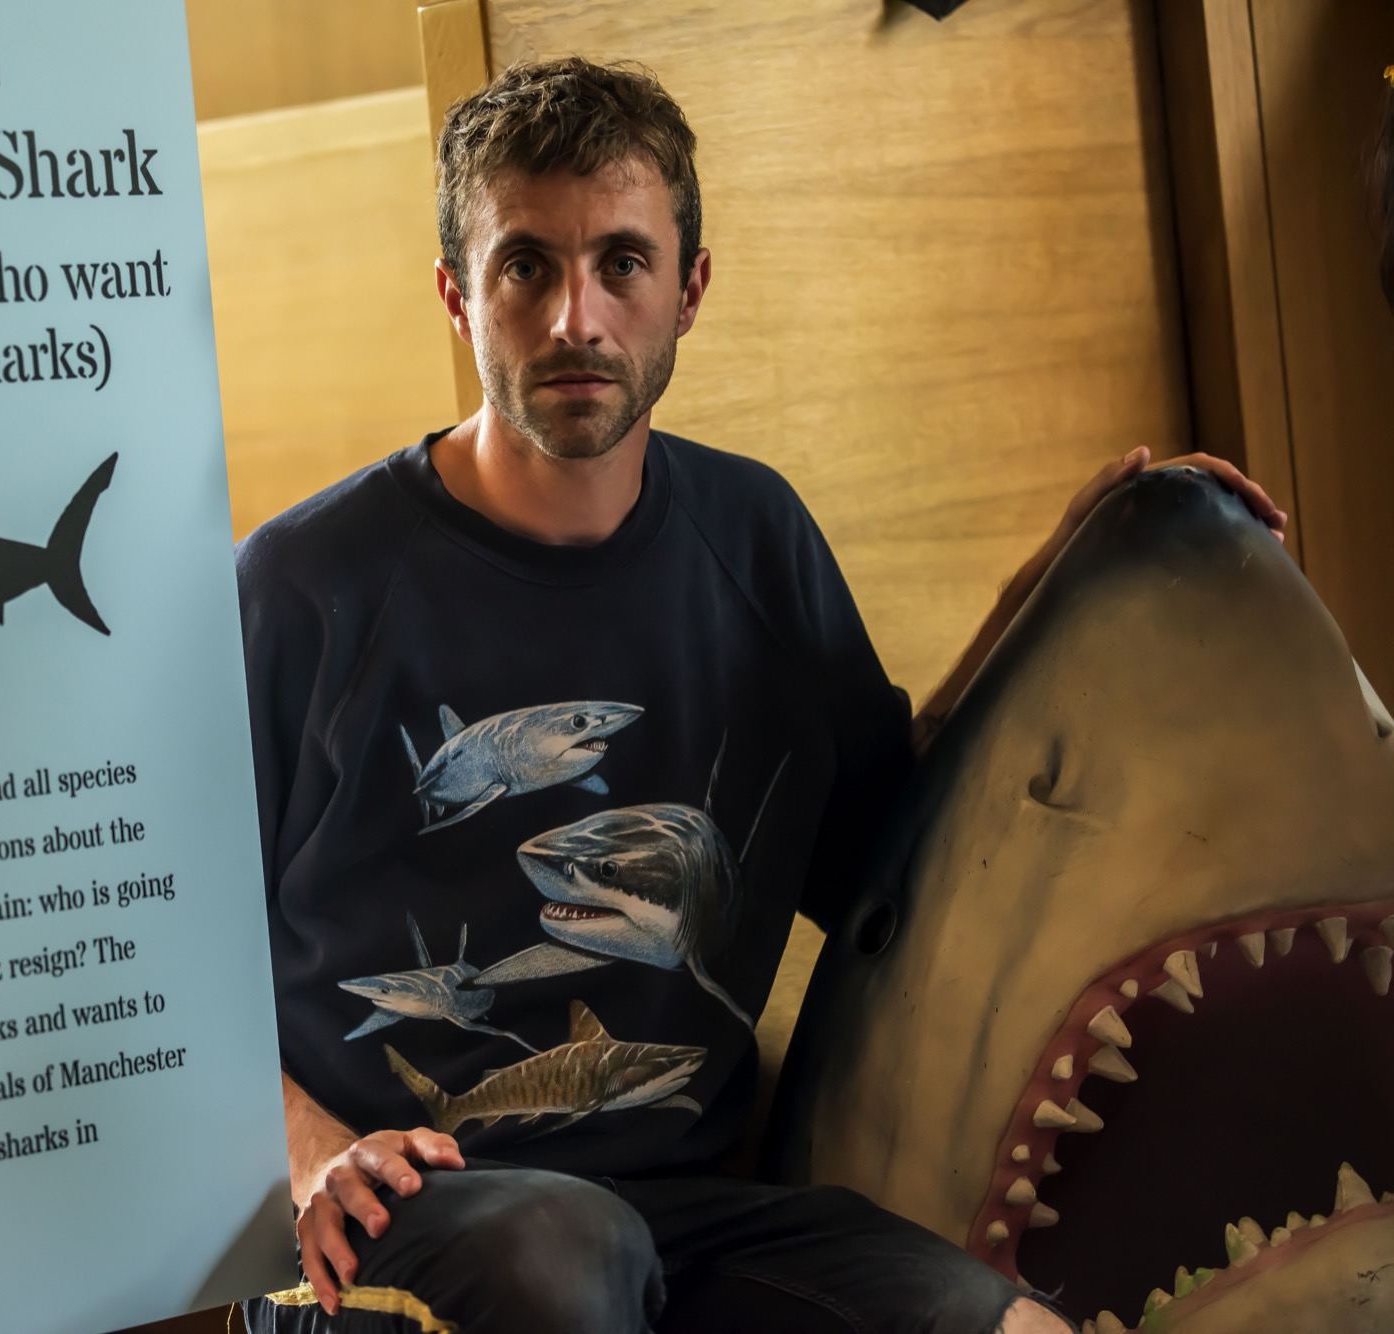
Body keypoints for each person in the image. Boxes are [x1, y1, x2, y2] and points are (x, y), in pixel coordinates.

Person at [234, 57, 1285, 1334]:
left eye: (621, 262)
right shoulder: (299, 587)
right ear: (456, 296)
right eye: (525, 266)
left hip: (685, 1214)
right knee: (563, 1256)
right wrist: (301, 1161)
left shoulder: (756, 536)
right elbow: (157, 967)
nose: (576, 317)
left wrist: (1053, 584)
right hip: (387, 1236)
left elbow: (884, 865)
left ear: (689, 288)